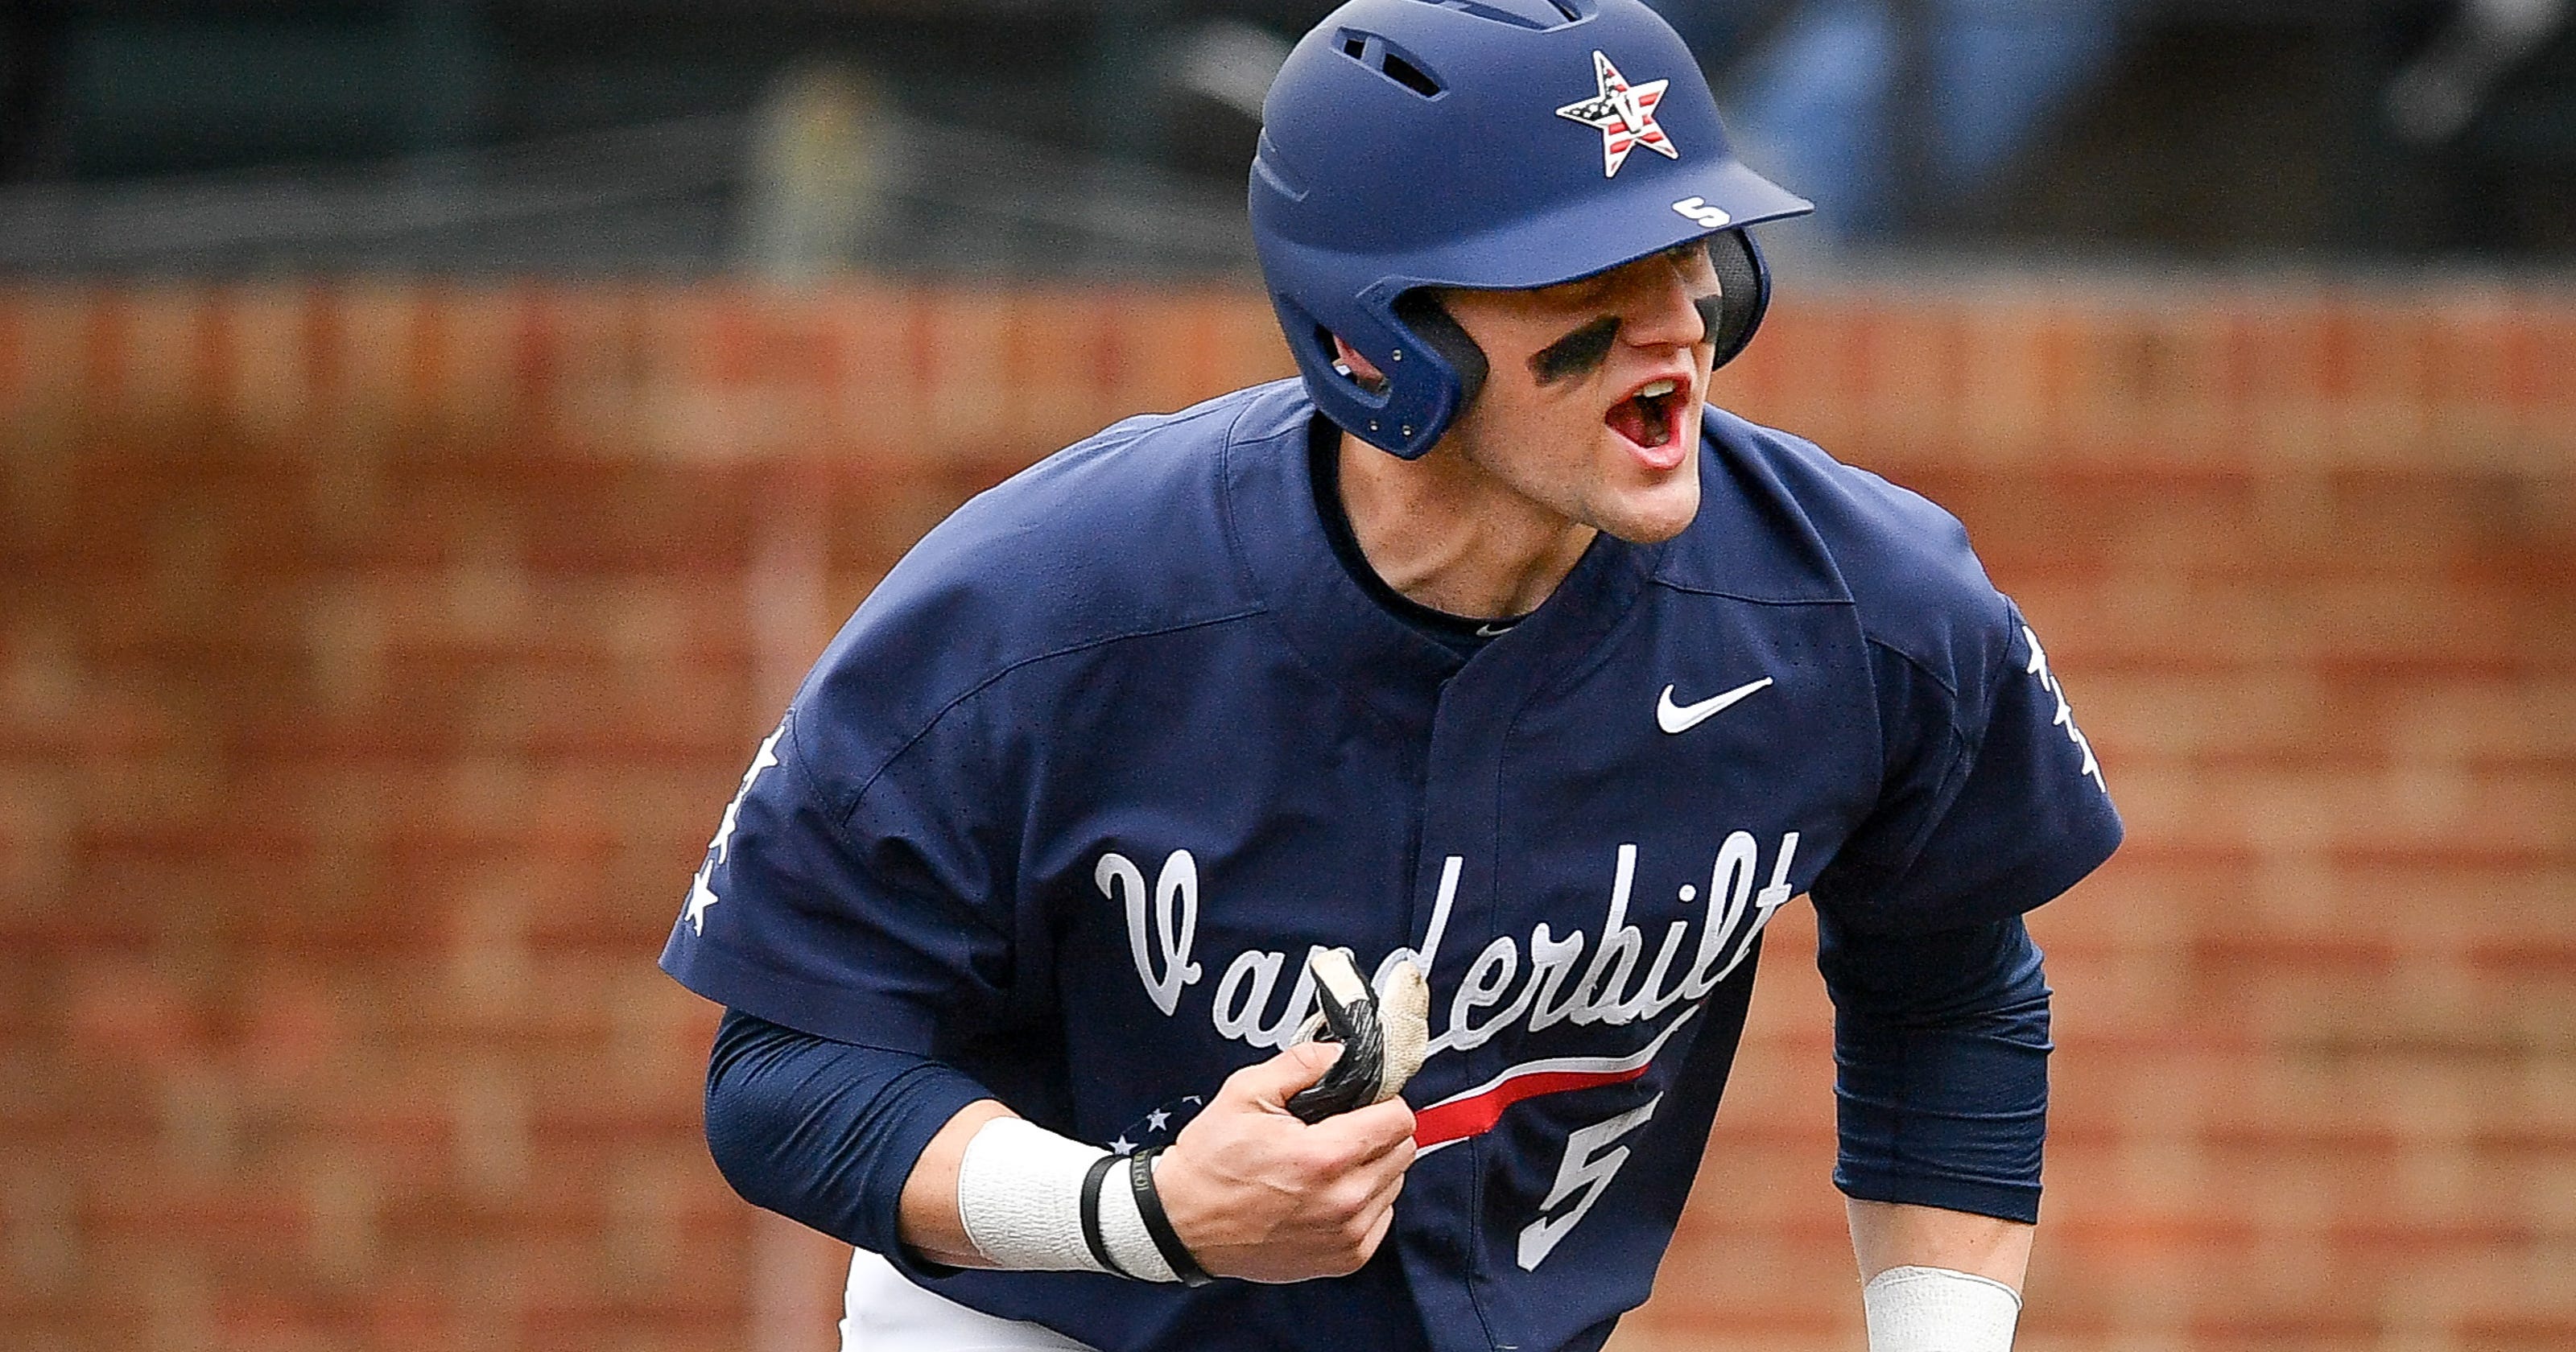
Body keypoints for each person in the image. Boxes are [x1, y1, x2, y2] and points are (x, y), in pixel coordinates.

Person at [658, 2, 2122, 1350]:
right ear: (1378, 340)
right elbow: (786, 1071)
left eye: (1695, 253)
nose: (1681, 320)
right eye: (1590, 274)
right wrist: (1141, 1211)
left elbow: (1949, 990)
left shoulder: (1871, 604)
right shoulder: (1040, 609)